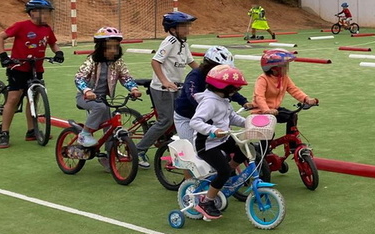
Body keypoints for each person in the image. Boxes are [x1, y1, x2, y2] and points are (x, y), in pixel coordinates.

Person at [133, 11, 198, 168]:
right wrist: (165, 81)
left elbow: (192, 63)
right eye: (184, 26)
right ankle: (139, 150)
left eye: (188, 26)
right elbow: (155, 62)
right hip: (162, 88)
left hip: (177, 87)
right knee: (166, 120)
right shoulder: (169, 42)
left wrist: (209, 74)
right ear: (173, 29)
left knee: (183, 117)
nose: (188, 29)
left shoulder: (183, 43)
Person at [0, 0, 65, 149]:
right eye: (44, 12)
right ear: (33, 12)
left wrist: (59, 52)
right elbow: (1, 37)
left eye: (48, 12)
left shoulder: (47, 29)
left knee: (33, 99)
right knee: (13, 98)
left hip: (36, 68)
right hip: (19, 67)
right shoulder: (21, 26)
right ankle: (4, 132)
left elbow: (53, 43)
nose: (47, 15)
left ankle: (31, 131)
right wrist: (3, 56)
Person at [189, 65, 249, 221]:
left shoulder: (223, 99)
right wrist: (212, 130)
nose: (236, 90)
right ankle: (206, 202)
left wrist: (249, 123)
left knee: (245, 149)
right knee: (223, 171)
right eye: (234, 88)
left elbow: (232, 117)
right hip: (207, 144)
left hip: (222, 138)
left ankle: (227, 174)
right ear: (222, 86)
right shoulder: (209, 102)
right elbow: (195, 122)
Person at [73, 27, 143, 146]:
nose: (113, 51)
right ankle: (84, 134)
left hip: (103, 99)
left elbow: (125, 77)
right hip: (85, 97)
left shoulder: (117, 62)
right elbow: (79, 78)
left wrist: (133, 88)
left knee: (109, 128)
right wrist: (87, 91)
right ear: (100, 48)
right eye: (108, 47)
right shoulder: (92, 61)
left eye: (115, 47)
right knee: (100, 107)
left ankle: (109, 154)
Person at [173, 45, 252, 142]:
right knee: (193, 146)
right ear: (209, 65)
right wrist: (211, 106)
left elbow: (227, 90)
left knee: (226, 142)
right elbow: (192, 95)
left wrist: (243, 102)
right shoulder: (195, 75)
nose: (223, 72)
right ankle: (179, 157)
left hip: (209, 115)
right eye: (221, 68)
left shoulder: (220, 78)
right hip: (187, 117)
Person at [252, 49, 318, 132]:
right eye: (284, 66)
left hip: (275, 109)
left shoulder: (284, 78)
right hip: (261, 111)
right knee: (268, 134)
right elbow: (259, 97)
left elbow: (294, 89)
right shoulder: (263, 79)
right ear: (273, 69)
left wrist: (306, 99)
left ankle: (291, 143)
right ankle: (264, 144)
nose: (286, 68)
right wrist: (266, 110)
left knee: (292, 116)